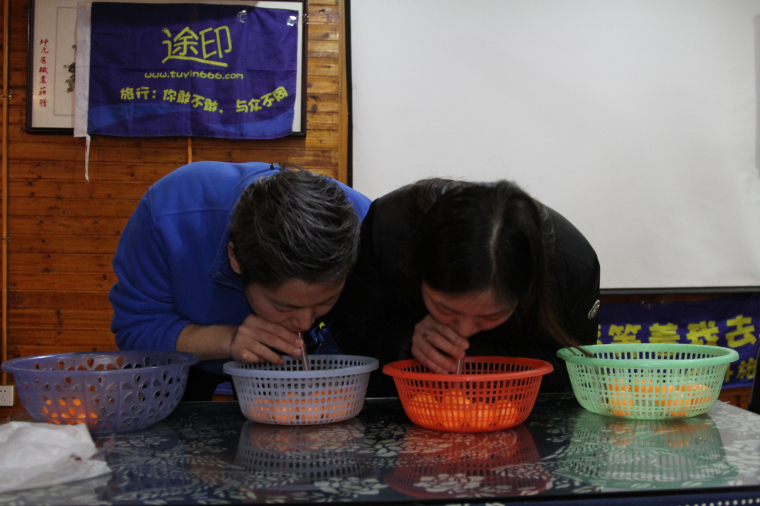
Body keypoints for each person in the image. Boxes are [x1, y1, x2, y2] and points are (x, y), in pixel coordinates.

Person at [109, 161, 371, 400]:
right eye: (284, 306)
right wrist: (226, 339)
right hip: (179, 370)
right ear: (235, 258)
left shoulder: (365, 225)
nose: (304, 323)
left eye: (326, 301)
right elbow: (137, 329)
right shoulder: (169, 210)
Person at [329, 178, 600, 397]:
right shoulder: (388, 230)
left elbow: (575, 371)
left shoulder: (571, 265)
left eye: (491, 316)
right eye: (446, 309)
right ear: (417, 269)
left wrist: (481, 358)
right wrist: (407, 340)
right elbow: (350, 330)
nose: (464, 330)